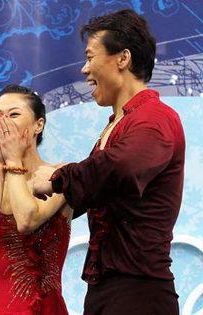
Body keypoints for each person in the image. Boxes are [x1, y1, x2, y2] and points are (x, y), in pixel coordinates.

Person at [32, 9, 184, 315]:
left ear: (122, 58)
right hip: (106, 290)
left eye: (90, 57)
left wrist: (57, 177)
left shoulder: (155, 119)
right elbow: (83, 189)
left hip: (140, 294)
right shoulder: (116, 126)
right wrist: (6, 170)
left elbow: (119, 168)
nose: (84, 69)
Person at [0, 84, 73, 315]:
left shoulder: (61, 175)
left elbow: (27, 219)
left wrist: (14, 160)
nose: (2, 123)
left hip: (47, 308)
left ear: (39, 124)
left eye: (13, 115)